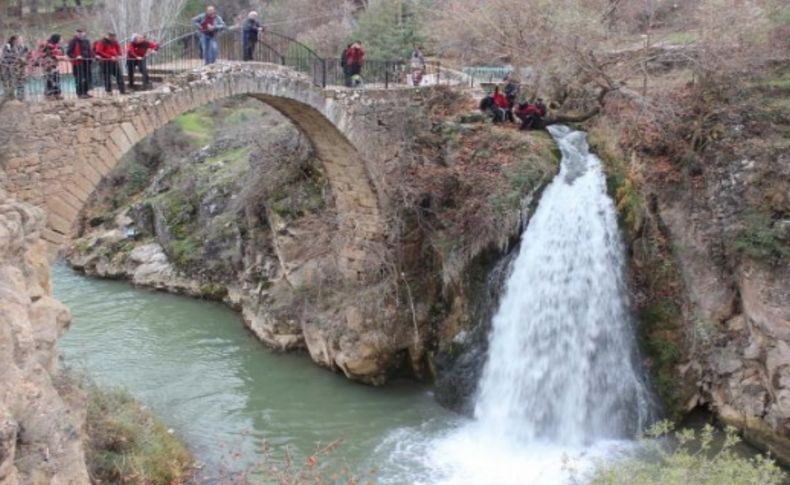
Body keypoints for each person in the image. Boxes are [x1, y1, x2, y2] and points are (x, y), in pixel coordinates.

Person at [67, 28, 93, 99]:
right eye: (78, 32)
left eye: (81, 32)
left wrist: (91, 57)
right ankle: (80, 93)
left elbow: (89, 50)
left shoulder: (86, 41)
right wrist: (76, 56)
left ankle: (85, 92)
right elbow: (69, 52)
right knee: (79, 78)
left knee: (86, 78)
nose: (80, 34)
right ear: (76, 33)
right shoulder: (73, 41)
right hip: (77, 63)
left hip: (87, 62)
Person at [1, 35, 29, 101]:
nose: (21, 41)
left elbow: (26, 57)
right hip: (9, 69)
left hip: (20, 68)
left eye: (21, 40)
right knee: (9, 83)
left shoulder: (24, 47)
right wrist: (16, 59)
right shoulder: (8, 47)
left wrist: (23, 60)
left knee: (20, 82)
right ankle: (10, 98)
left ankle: (20, 98)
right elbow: (5, 58)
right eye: (19, 40)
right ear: (14, 41)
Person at [39, 34, 63, 100]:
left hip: (55, 65)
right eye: (60, 39)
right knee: (49, 80)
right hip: (48, 65)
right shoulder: (47, 45)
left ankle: (57, 93)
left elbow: (61, 52)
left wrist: (59, 55)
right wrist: (56, 55)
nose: (61, 40)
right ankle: (48, 94)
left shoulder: (57, 45)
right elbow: (47, 54)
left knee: (56, 79)